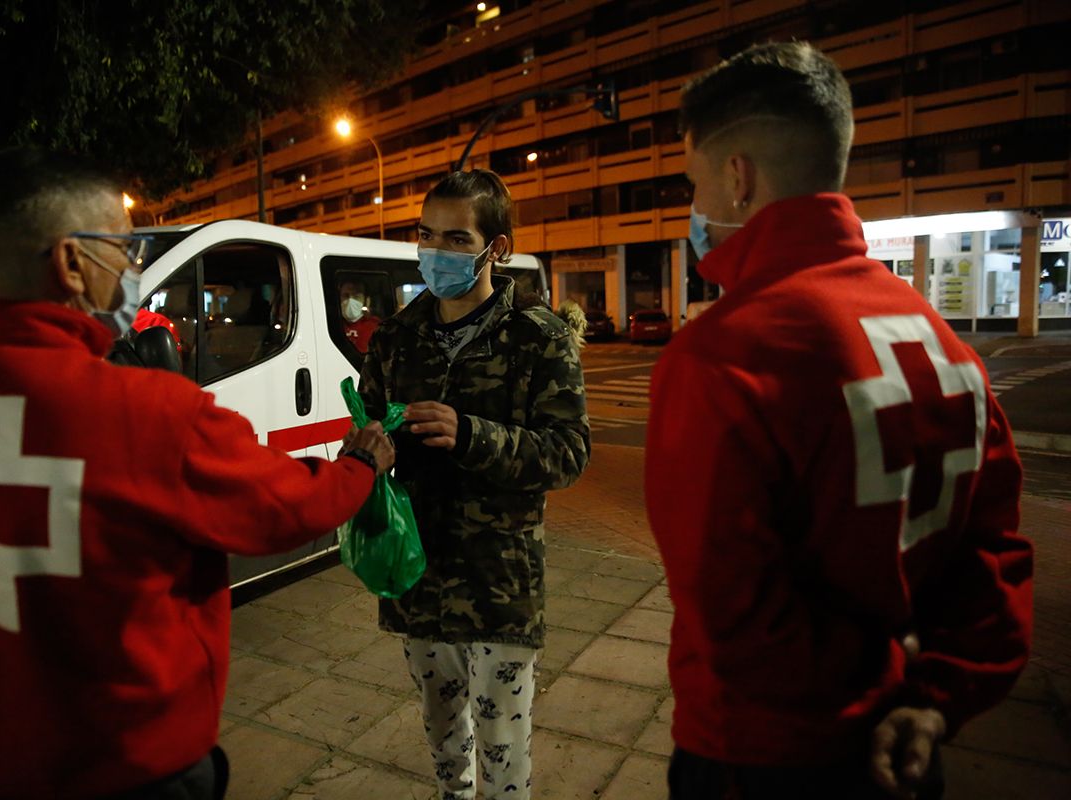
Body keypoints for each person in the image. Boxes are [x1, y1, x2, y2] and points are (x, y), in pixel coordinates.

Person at [0, 147, 395, 799]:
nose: (130, 272)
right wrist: (361, 462)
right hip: (128, 773)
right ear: (70, 262)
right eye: (120, 251)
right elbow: (289, 510)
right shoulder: (151, 413)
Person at [644, 42, 1033, 799]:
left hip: (759, 755)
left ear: (737, 177)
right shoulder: (938, 338)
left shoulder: (723, 355)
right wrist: (931, 697)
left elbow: (732, 616)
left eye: (692, 181)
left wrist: (878, 683)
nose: (693, 208)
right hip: (912, 744)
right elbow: (995, 550)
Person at [357, 169, 590, 800]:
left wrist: (472, 435)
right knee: (441, 737)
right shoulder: (395, 339)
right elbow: (371, 424)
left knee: (502, 746)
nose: (436, 252)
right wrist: (366, 453)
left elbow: (568, 454)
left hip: (500, 583)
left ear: (498, 248)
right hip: (418, 574)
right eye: (426, 235)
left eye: (456, 239)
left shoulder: (540, 338)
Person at [339, 278, 380, 354]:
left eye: (356, 297)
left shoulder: (376, 326)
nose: (350, 301)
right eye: (345, 296)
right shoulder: (331, 325)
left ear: (367, 301)